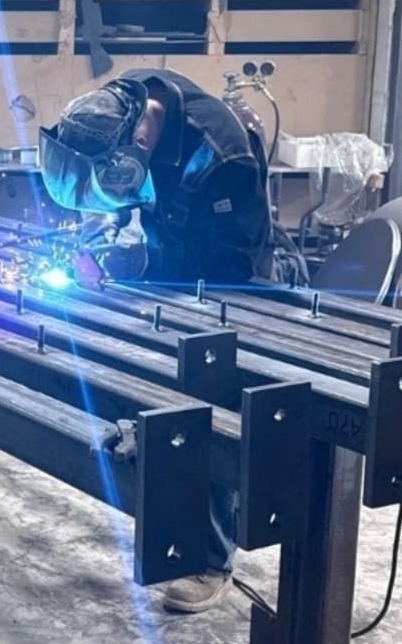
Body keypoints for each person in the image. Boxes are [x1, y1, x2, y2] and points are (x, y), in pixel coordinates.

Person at [38, 68, 271, 615]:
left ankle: (212, 559)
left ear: (139, 144)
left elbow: (229, 267)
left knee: (204, 398)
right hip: (170, 267)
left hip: (227, 290)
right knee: (153, 385)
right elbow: (130, 195)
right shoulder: (129, 101)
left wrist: (140, 260)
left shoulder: (223, 159)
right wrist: (104, 234)